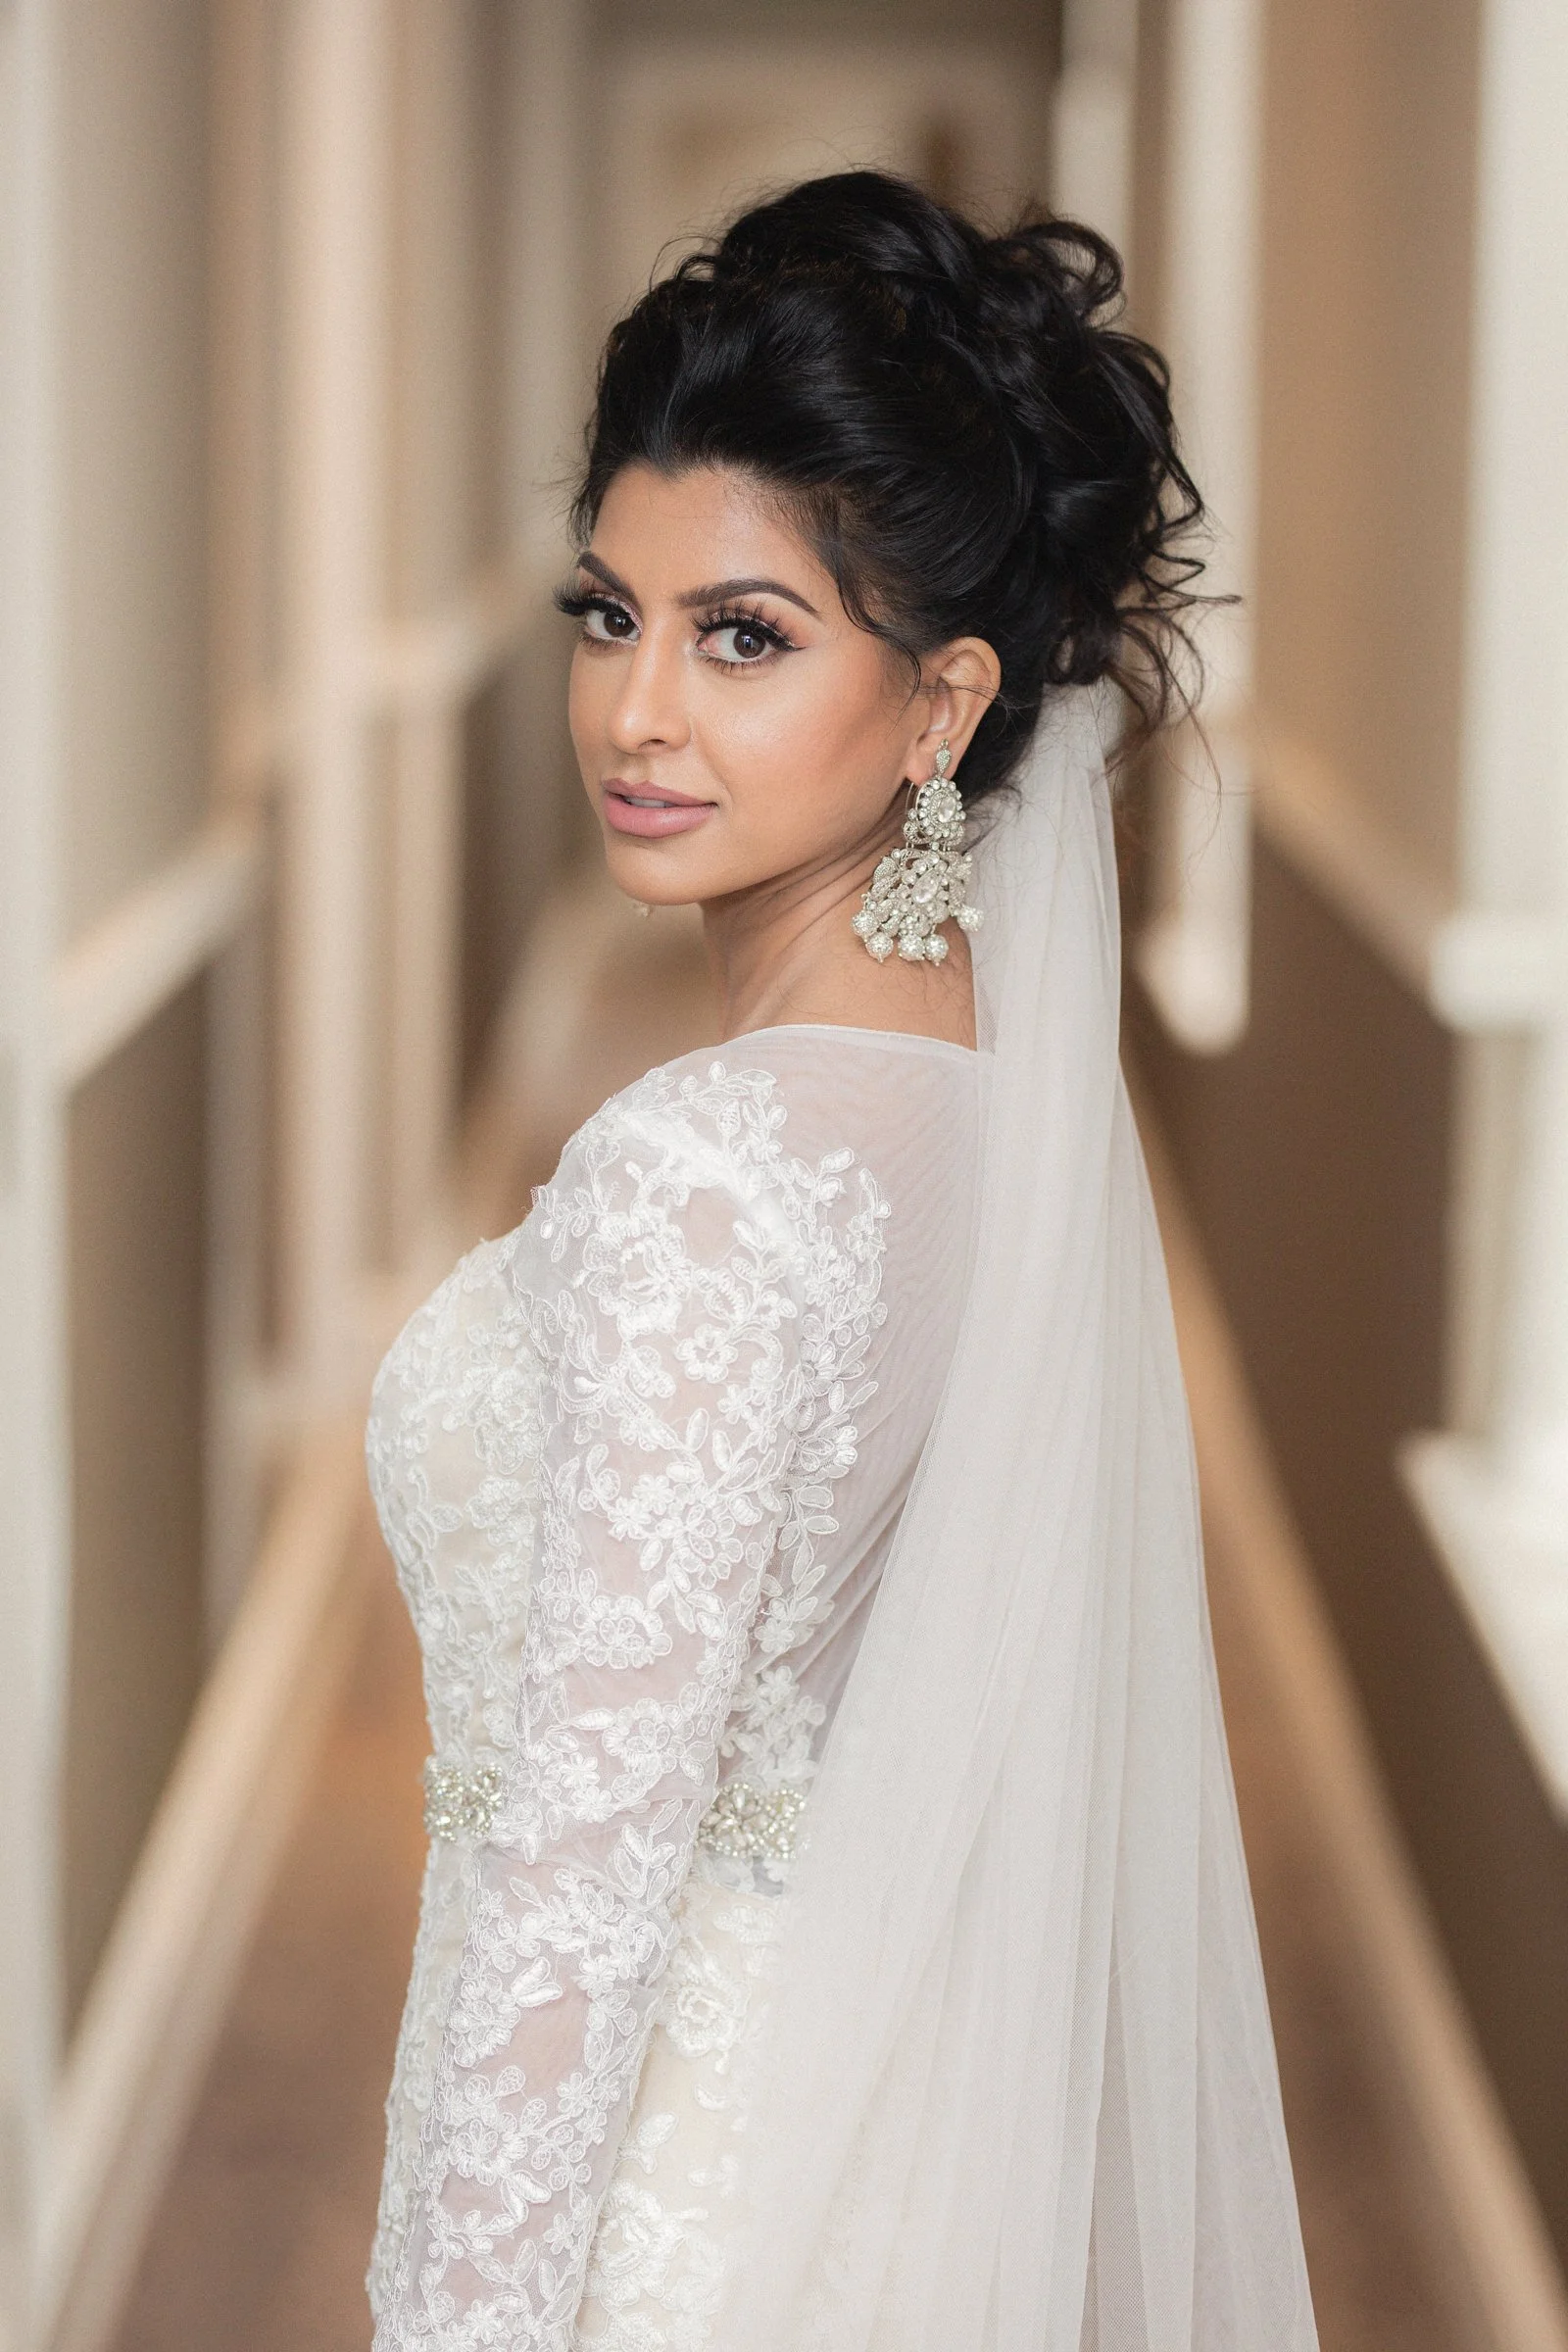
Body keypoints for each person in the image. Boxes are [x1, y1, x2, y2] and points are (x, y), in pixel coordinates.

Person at [366, 172, 1318, 2351]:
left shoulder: (706, 1185)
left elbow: (571, 1905)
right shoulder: (987, 1126)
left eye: (745, 637)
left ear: (934, 705)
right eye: (606, 614)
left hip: (679, 2226)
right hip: (882, 2164)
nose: (634, 714)